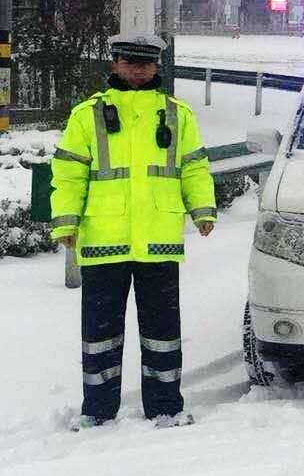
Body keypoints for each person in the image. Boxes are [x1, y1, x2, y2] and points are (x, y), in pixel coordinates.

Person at [51, 33, 217, 430]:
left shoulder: (177, 114)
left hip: (158, 240)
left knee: (163, 331)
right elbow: (69, 173)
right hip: (103, 239)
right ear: (115, 64)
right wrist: (66, 221)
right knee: (100, 333)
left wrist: (202, 210)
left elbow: (194, 167)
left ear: (157, 66)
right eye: (130, 62)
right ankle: (97, 409)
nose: (138, 69)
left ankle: (165, 406)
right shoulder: (87, 115)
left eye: (145, 63)